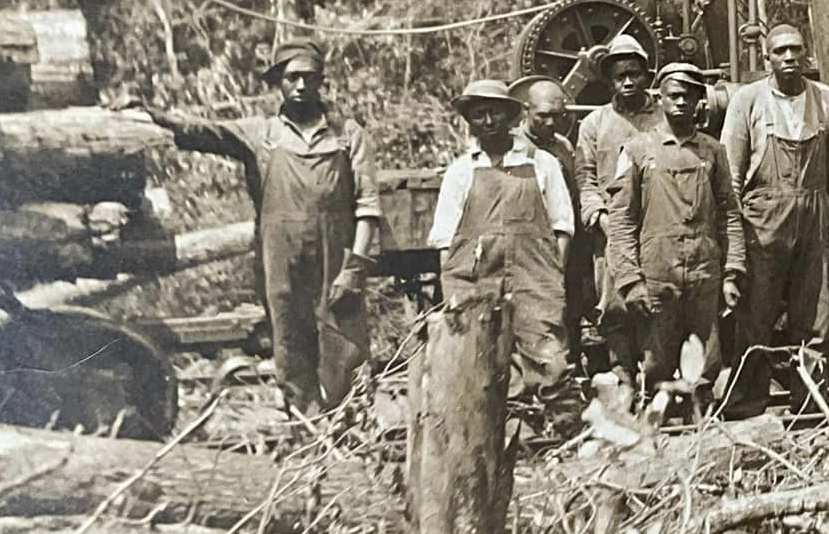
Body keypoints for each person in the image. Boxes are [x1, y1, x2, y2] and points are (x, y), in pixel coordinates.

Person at [136, 38, 377, 416]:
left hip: (336, 262)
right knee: (290, 343)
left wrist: (354, 268)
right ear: (278, 81)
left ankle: (345, 428)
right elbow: (204, 130)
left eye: (309, 78)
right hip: (281, 260)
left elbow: (368, 208)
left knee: (343, 347)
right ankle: (307, 432)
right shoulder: (260, 133)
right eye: (292, 77)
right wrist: (151, 113)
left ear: (321, 82)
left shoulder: (347, 134)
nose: (301, 86)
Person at [719, 23, 829, 417]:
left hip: (812, 219)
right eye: (780, 51)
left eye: (796, 49)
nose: (790, 57)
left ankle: (811, 404)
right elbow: (730, 172)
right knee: (755, 316)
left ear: (807, 52)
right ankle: (747, 405)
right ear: (767, 58)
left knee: (815, 318)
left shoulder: (825, 99)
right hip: (762, 220)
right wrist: (735, 237)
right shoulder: (748, 100)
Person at [605, 61, 746, 398]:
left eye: (689, 96)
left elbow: (729, 213)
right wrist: (629, 280)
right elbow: (622, 220)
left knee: (708, 362)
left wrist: (732, 272)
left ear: (700, 101)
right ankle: (660, 432)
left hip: (704, 272)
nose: (681, 102)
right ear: (660, 98)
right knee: (657, 363)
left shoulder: (713, 151)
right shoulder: (637, 150)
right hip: (658, 273)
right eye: (674, 95)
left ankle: (704, 435)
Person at [429, 79, 576, 398]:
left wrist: (551, 277)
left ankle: (555, 439)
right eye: (480, 114)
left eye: (495, 113)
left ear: (511, 116)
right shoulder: (460, 172)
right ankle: (504, 438)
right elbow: (445, 242)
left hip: (534, 280)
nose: (489, 121)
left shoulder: (541, 163)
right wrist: (457, 291)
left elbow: (562, 227)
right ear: (470, 121)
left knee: (548, 362)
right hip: (476, 283)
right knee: (480, 365)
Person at [574, 33, 663, 380]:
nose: (627, 81)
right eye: (619, 75)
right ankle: (622, 371)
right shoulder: (594, 124)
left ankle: (657, 380)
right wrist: (601, 219)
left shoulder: (662, 118)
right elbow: (586, 180)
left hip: (656, 227)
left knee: (656, 302)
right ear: (609, 80)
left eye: (634, 74)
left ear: (646, 76)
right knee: (614, 305)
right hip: (610, 231)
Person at [515, 77, 590, 369]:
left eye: (556, 116)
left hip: (565, 244)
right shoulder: (515, 148)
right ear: (526, 111)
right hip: (529, 249)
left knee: (569, 312)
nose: (549, 122)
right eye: (541, 116)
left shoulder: (563, 146)